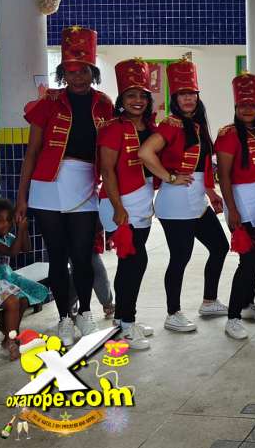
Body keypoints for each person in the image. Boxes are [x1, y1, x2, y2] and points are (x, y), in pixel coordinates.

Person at [16, 26, 114, 345]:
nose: (78, 77)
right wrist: (22, 197)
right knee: (57, 255)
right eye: (71, 71)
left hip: (85, 183)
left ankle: (85, 312)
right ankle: (63, 319)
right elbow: (32, 153)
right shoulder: (49, 102)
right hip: (47, 185)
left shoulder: (104, 104)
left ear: (92, 71)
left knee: (83, 254)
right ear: (63, 73)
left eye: (83, 70)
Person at [139, 57, 229, 333]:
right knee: (180, 258)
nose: (188, 99)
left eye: (192, 94)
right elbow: (145, 152)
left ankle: (209, 301)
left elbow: (201, 164)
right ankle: (173, 313)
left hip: (197, 199)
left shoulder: (197, 124)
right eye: (182, 94)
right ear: (175, 99)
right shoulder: (171, 124)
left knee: (220, 246)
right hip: (176, 202)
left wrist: (210, 191)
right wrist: (169, 177)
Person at [97, 59, 158, 349]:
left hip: (143, 201)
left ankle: (122, 319)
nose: (137, 101)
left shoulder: (152, 127)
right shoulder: (113, 128)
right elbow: (107, 170)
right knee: (135, 261)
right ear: (121, 99)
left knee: (130, 263)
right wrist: (118, 206)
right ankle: (127, 325)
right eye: (131, 95)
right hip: (119, 203)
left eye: (142, 95)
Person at [215, 73, 255, 340]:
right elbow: (224, 176)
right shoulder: (228, 134)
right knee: (247, 261)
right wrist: (233, 209)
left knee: (254, 259)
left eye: (252, 105)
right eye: (242, 105)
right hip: (241, 203)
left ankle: (248, 304)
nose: (247, 110)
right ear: (235, 107)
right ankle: (233, 317)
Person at [0, 199, 48, 360]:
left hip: (7, 277)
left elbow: (26, 248)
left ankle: (9, 334)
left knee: (24, 300)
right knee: (13, 302)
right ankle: (11, 341)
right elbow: (12, 252)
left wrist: (23, 230)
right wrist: (20, 231)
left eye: (8, 220)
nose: (5, 224)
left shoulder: (7, 236)